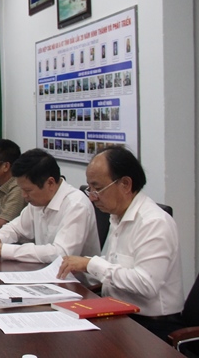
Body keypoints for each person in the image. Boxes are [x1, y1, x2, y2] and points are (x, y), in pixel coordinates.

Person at [58, 146, 183, 340]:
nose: (92, 196)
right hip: (116, 312)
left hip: (151, 326)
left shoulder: (154, 222)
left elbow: (146, 284)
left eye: (98, 188)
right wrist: (82, 266)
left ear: (125, 184)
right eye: (90, 188)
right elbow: (115, 268)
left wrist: (91, 264)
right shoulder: (117, 216)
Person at [0, 149, 100, 263]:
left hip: (77, 280)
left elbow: (61, 253)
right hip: (44, 272)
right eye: (22, 190)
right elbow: (16, 228)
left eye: (28, 190)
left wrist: (3, 250)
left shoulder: (76, 205)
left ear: (50, 183)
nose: (24, 196)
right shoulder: (37, 201)